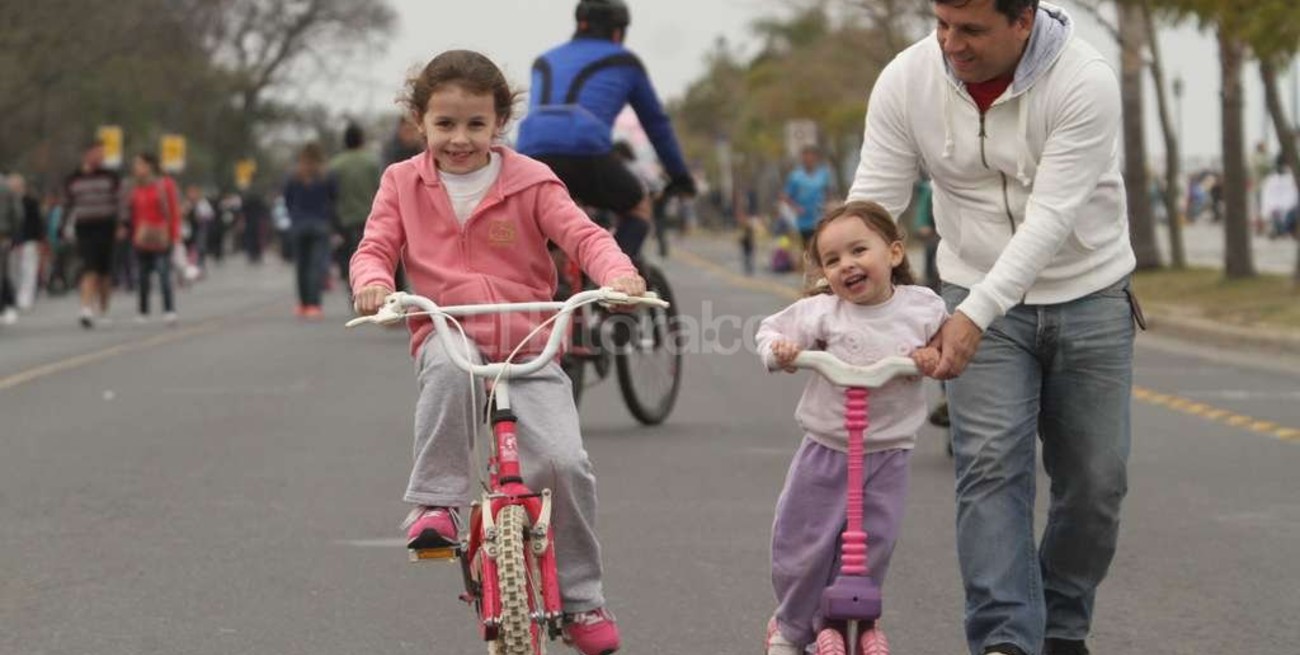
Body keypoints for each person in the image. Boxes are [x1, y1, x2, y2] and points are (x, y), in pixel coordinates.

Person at [846, 2, 1139, 654]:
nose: (951, 43)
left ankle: (1060, 629)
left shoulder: (1082, 79)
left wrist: (975, 314)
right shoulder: (906, 79)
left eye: (971, 29)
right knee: (989, 469)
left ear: (1022, 21)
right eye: (942, 23)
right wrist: (831, 286)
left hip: (1088, 293)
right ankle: (1006, 639)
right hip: (971, 286)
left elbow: (1051, 218)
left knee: (1096, 482)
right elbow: (874, 203)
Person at [349, 49, 645, 655]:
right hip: (448, 327)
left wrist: (618, 275)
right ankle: (438, 502)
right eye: (445, 124)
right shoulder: (401, 182)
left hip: (529, 340)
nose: (460, 139)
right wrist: (373, 284)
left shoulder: (532, 180)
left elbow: (584, 236)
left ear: (499, 123)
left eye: (475, 125)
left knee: (565, 464)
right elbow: (374, 246)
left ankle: (584, 600)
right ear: (420, 122)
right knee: (447, 373)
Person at [755, 200, 947, 655]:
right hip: (827, 447)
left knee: (872, 544)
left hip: (890, 451)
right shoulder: (823, 311)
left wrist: (931, 357)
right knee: (802, 543)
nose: (848, 265)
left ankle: (849, 618)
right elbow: (770, 332)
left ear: (894, 253)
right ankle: (791, 625)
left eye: (859, 250)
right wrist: (781, 352)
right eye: (833, 260)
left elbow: (944, 345)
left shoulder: (923, 307)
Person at [515, 0, 696, 260]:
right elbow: (656, 124)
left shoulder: (544, 60)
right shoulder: (625, 61)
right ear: (617, 32)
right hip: (585, 148)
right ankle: (612, 286)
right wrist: (681, 177)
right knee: (638, 207)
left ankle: (550, 281)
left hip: (529, 152)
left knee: (549, 220)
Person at [64, 140, 124, 328]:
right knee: (89, 268)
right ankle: (85, 308)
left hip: (106, 226)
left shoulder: (111, 177)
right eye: (96, 153)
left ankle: (103, 308)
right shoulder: (73, 178)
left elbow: (120, 203)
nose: (100, 157)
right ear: (87, 154)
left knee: (104, 272)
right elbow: (68, 204)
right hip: (85, 227)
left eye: (102, 154)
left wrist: (122, 224)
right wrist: (64, 226)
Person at [126, 153, 182, 324]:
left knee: (163, 272)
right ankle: (143, 310)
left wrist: (174, 235)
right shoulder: (135, 188)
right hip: (142, 238)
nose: (137, 169)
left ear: (149, 166)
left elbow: (173, 211)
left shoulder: (165, 185)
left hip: (161, 237)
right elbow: (133, 214)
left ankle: (169, 309)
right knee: (142, 276)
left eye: (140, 164)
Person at [282, 142, 336, 318]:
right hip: (320, 224)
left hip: (298, 224)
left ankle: (303, 303)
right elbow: (334, 198)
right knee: (315, 266)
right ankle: (314, 304)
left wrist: (294, 216)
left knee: (301, 265)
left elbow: (287, 199)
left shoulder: (293, 176)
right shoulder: (326, 176)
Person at [329, 121, 381, 293]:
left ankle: (354, 288)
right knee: (371, 253)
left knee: (351, 254)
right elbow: (379, 188)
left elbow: (331, 193)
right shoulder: (372, 162)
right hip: (369, 215)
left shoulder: (335, 165)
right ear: (361, 140)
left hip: (345, 217)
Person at [779, 145, 838, 256]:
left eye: (811, 157)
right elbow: (785, 196)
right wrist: (796, 208)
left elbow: (829, 192)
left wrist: (828, 205)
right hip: (804, 220)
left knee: (820, 246)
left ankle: (819, 270)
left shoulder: (823, 174)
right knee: (807, 249)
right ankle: (808, 269)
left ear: (815, 158)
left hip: (820, 217)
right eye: (805, 157)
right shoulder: (795, 176)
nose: (808, 160)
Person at [8, 173, 44, 313]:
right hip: (12, 241)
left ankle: (26, 298)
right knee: (13, 271)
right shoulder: (7, 201)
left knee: (29, 269)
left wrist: (39, 240)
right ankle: (15, 297)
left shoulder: (30, 202)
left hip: (29, 240)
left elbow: (37, 223)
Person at [1260, 155, 1297, 239]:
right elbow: (1267, 197)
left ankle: (1281, 230)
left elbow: (1293, 196)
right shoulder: (1270, 180)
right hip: (1275, 210)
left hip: (1289, 209)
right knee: (1277, 218)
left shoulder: (1291, 178)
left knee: (1289, 216)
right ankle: (1278, 230)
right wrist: (1272, 209)